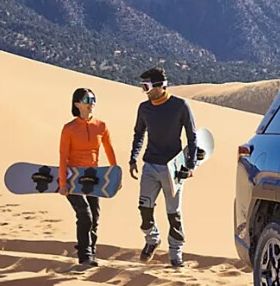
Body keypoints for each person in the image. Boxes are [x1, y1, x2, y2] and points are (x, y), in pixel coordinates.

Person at [129, 67, 198, 268]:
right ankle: (152, 239)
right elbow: (138, 134)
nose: (145, 91)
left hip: (173, 168)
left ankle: (176, 253)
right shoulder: (144, 108)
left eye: (147, 86)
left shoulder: (180, 106)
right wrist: (133, 158)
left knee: (173, 213)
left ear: (160, 86)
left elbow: (192, 136)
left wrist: (191, 164)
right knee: (144, 209)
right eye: (142, 86)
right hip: (150, 165)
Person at [59, 88, 116, 270]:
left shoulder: (101, 126)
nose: (91, 103)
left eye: (93, 99)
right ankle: (85, 255)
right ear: (77, 104)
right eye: (86, 99)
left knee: (95, 216)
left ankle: (91, 249)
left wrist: (115, 175)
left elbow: (109, 150)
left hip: (94, 177)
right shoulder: (69, 128)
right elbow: (63, 156)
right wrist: (62, 183)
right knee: (85, 214)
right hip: (73, 177)